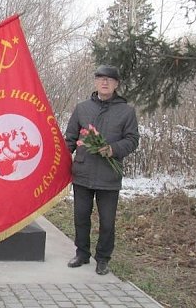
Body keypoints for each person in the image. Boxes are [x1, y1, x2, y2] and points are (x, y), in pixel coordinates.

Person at [64, 64, 139, 275]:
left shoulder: (126, 111)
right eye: (100, 78)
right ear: (96, 82)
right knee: (80, 216)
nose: (104, 82)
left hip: (109, 176)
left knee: (107, 221)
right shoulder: (82, 108)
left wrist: (113, 149)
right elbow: (70, 139)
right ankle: (82, 253)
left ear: (116, 84)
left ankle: (103, 258)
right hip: (83, 173)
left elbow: (133, 140)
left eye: (109, 79)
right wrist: (56, 160)